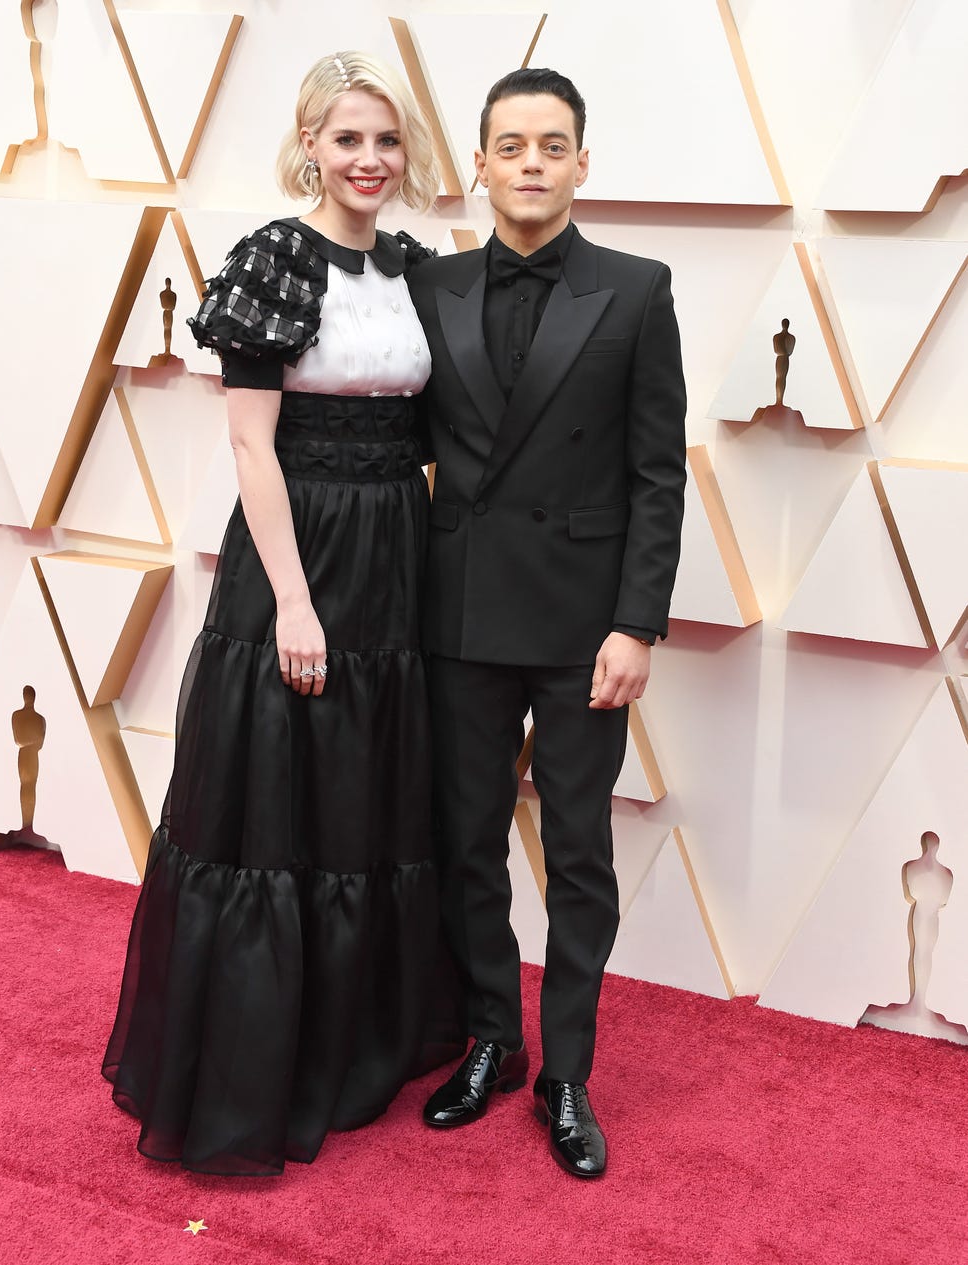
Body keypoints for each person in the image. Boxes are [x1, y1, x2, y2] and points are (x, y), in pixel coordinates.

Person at [103, 51, 461, 1176]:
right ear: (308, 142)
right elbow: (250, 445)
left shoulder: (415, 266)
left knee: (363, 797)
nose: (367, 159)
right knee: (274, 800)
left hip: (395, 551)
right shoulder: (270, 258)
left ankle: (353, 1040)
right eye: (346, 138)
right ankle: (263, 1059)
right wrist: (295, 604)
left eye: (386, 140)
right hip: (296, 556)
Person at [408, 68, 687, 1178]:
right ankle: (492, 1039)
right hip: (461, 608)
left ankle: (565, 1069)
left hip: (583, 626)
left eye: (551, 144)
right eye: (509, 144)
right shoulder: (428, 283)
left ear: (581, 162)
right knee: (466, 839)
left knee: (577, 852)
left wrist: (637, 625)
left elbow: (655, 474)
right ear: (477, 163)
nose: (530, 162)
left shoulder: (634, 288)